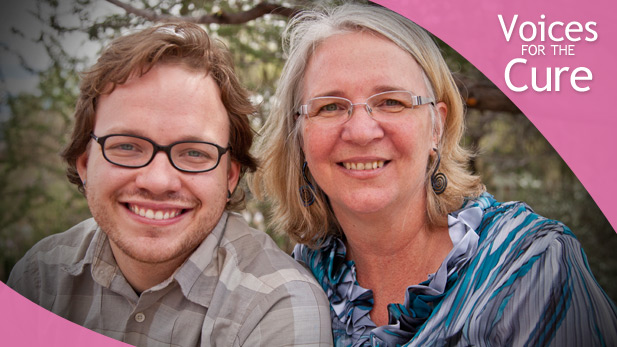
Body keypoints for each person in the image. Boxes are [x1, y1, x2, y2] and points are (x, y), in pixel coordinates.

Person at [251, 2, 617, 346]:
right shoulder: (299, 281)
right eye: (329, 106)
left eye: (391, 101)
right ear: (298, 135)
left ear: (436, 127)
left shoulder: (529, 265)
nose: (361, 131)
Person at [7, 22, 332, 346]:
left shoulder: (276, 308)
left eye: (194, 152)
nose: (158, 181)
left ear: (231, 176)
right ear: (85, 163)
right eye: (127, 146)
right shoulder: (39, 277)